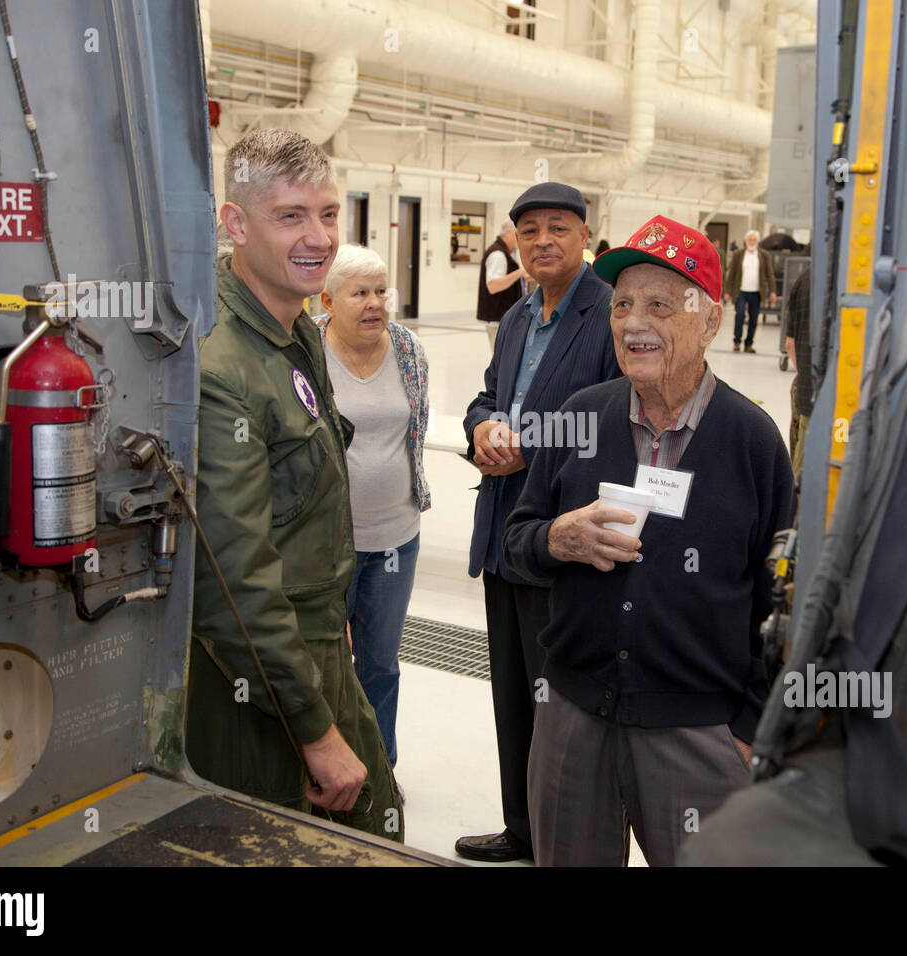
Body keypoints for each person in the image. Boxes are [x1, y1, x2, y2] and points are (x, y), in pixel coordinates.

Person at [503, 215, 795, 866]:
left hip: (697, 731)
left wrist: (748, 729)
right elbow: (516, 543)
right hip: (573, 720)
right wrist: (558, 537)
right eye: (623, 303)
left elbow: (783, 603)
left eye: (660, 305)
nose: (634, 322)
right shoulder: (581, 415)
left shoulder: (752, 442)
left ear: (711, 321)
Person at [186, 129, 402, 842]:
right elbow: (232, 582)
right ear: (236, 224)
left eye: (329, 213)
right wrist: (313, 730)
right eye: (291, 216)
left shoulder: (296, 330)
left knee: (375, 830)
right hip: (260, 681)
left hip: (314, 646)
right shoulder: (224, 365)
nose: (319, 238)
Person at [456, 182, 621, 863]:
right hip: (503, 532)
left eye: (558, 227)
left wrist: (533, 440)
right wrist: (484, 427)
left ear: (586, 235)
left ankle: (567, 841)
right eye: (529, 231)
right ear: (515, 242)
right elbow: (488, 394)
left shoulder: (607, 314)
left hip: (562, 538)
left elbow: (617, 420)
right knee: (513, 697)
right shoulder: (522, 314)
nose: (543, 240)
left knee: (566, 709)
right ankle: (522, 829)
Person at [316, 244, 430, 778]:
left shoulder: (407, 349)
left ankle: (379, 768)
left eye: (381, 291)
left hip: (395, 536)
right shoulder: (307, 351)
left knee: (380, 664)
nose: (374, 303)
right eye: (359, 293)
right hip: (325, 542)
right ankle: (325, 769)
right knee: (322, 665)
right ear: (328, 300)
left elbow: (415, 428)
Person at [724, 229, 777, 353]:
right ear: (746, 241)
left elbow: (770, 274)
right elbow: (731, 274)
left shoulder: (764, 255)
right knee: (740, 314)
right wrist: (727, 291)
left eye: (754, 240)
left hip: (756, 292)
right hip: (741, 291)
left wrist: (772, 291)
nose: (752, 242)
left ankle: (749, 344)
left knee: (754, 319)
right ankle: (737, 341)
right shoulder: (738, 254)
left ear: (757, 241)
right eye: (750, 239)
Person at [479, 221, 528, 352]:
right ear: (507, 233)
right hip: (498, 319)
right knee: (501, 361)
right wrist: (519, 273)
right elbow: (493, 286)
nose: (520, 239)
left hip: (505, 318)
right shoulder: (497, 254)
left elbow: (508, 280)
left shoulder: (507, 253)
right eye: (517, 235)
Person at [784, 264, 814, 479]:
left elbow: (790, 344)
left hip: (804, 392)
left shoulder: (805, 278)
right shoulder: (849, 282)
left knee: (799, 470)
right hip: (840, 416)